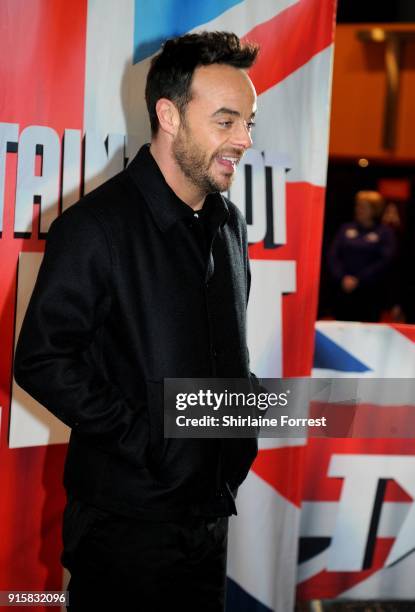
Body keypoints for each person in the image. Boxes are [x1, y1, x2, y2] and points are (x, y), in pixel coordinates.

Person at [13, 31, 259, 611]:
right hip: (125, 528)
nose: (244, 140)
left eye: (249, 122)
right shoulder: (96, 226)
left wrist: (236, 440)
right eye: (226, 121)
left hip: (209, 519)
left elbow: (228, 359)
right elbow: (43, 360)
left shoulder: (229, 227)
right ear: (168, 115)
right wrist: (148, 440)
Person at [327, 190, 395, 322]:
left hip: (370, 293)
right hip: (343, 290)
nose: (358, 210)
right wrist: (342, 277)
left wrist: (359, 279)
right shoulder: (346, 228)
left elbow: (385, 261)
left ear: (374, 210)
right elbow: (333, 255)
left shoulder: (385, 233)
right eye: (357, 206)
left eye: (363, 207)